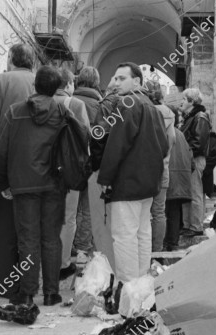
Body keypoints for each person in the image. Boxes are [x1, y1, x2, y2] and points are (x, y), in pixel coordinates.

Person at [0, 66, 66, 306]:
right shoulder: (63, 112)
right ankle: (51, 293)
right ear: (57, 88)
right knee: (51, 238)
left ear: (35, 85)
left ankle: (27, 292)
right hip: (54, 184)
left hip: (23, 185)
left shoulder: (15, 112)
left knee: (28, 240)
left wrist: (3, 182)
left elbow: (1, 151)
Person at [97, 62, 168, 283]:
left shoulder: (127, 104)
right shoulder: (150, 105)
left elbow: (116, 145)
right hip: (147, 184)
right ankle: (142, 284)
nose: (115, 83)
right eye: (115, 78)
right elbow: (164, 146)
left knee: (124, 236)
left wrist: (106, 177)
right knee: (141, 233)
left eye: (121, 78)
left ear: (136, 81)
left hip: (128, 182)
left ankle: (128, 287)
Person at [0, 43, 35, 302]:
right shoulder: (42, 83)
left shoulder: (1, 81)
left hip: (4, 165)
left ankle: (5, 285)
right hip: (36, 169)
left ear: (11, 59)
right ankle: (28, 285)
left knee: (5, 233)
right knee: (29, 232)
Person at [53, 68, 90, 280]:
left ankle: (41, 262)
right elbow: (85, 136)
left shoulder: (38, 101)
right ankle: (62, 264)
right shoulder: (76, 104)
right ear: (68, 85)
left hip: (42, 169)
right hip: (68, 171)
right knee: (68, 218)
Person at [72, 67, 102, 266]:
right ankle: (83, 247)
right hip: (91, 162)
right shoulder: (101, 105)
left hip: (68, 161)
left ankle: (67, 245)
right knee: (87, 206)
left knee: (68, 207)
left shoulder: (69, 101)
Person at [88, 76, 118, 270]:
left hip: (104, 171)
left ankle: (107, 265)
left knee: (102, 222)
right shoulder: (137, 104)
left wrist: (98, 168)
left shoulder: (107, 104)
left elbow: (98, 135)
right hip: (125, 172)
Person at [145, 80, 175, 254]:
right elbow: (172, 139)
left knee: (142, 212)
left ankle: (142, 249)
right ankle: (156, 251)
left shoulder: (143, 110)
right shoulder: (168, 113)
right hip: (163, 167)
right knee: (159, 211)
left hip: (143, 169)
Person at [179, 88, 212, 237]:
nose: (181, 102)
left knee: (195, 192)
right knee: (187, 193)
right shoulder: (191, 117)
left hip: (194, 159)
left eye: (184, 99)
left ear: (191, 101)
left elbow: (198, 142)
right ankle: (187, 225)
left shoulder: (200, 117)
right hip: (188, 159)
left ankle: (196, 226)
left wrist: (186, 152)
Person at [164, 105, 193, 251]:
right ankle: (173, 242)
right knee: (174, 212)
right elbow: (190, 158)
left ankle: (164, 242)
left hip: (169, 179)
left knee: (162, 213)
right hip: (180, 180)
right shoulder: (181, 134)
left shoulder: (166, 133)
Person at [203, 131, 216, 197]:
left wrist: (204, 170)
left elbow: (214, 156)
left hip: (204, 174)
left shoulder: (211, 139)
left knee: (199, 197)